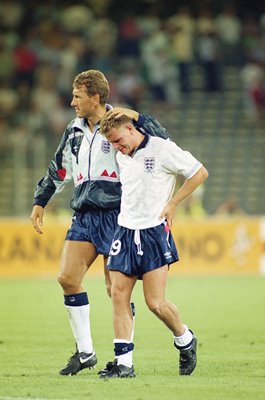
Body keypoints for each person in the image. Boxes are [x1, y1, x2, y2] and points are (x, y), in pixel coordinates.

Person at [30, 69, 170, 376]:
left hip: (118, 215)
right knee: (67, 278)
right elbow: (59, 168)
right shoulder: (74, 130)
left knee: (115, 290)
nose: (72, 102)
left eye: (77, 96)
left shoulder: (123, 123)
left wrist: (137, 115)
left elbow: (162, 142)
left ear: (96, 97)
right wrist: (41, 200)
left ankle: (124, 359)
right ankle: (85, 352)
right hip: (84, 215)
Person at [98, 109, 209, 379]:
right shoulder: (121, 154)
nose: (116, 148)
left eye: (117, 141)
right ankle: (124, 364)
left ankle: (185, 340)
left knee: (155, 303)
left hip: (153, 233)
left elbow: (199, 173)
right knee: (118, 294)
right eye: (112, 143)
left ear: (131, 129)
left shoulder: (162, 149)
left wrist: (172, 203)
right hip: (125, 232)